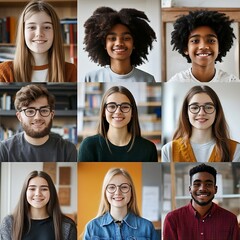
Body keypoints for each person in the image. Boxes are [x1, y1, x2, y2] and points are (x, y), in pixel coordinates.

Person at [0, 0, 77, 82]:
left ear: (55, 32)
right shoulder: (4, 72)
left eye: (47, 27)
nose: (39, 34)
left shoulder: (70, 70)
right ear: (23, 32)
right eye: (32, 27)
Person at [78, 85, 158, 162]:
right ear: (103, 112)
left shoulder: (148, 149)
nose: (118, 112)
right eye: (112, 106)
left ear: (132, 112)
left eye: (125, 106)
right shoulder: (88, 146)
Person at [162, 85, 240, 162]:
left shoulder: (236, 149)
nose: (201, 113)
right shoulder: (168, 150)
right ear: (186, 113)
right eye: (195, 107)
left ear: (217, 113)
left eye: (208, 107)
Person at [0, 84, 77, 162]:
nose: (38, 117)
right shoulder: (4, 150)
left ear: (52, 115)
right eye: (30, 111)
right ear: (19, 116)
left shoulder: (68, 150)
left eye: (44, 110)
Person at [163, 163, 239, 240]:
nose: (202, 188)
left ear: (215, 189)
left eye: (208, 184)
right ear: (190, 189)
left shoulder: (230, 220)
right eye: (197, 184)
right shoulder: (173, 219)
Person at [83, 6, 156, 82]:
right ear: (104, 44)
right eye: (112, 38)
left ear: (134, 43)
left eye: (126, 38)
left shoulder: (148, 79)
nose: (119, 43)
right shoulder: (91, 78)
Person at [83, 168, 159, 239]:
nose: (118, 192)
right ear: (105, 192)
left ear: (131, 192)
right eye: (112, 187)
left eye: (124, 187)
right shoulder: (92, 227)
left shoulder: (147, 227)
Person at [0, 170, 77, 240]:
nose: (38, 194)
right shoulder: (9, 223)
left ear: (51, 193)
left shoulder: (67, 225)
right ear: (25, 192)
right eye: (32, 189)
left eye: (44, 189)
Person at [168, 10, 240, 82]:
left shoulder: (231, 81)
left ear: (220, 47)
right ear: (185, 48)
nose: (203, 46)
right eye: (195, 41)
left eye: (211, 41)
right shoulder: (177, 80)